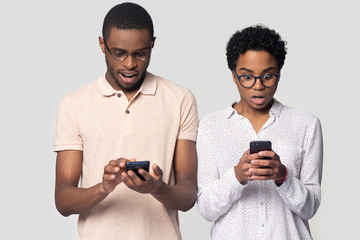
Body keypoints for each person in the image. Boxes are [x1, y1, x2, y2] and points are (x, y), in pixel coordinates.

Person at [53, 3, 198, 240]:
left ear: (152, 43)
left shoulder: (180, 99)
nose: (130, 64)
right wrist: (104, 187)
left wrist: (157, 188)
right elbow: (63, 200)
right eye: (119, 53)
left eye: (140, 53)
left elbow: (188, 196)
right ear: (102, 45)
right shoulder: (74, 105)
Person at [196, 25, 323, 239]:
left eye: (268, 76)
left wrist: (284, 176)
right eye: (247, 77)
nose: (258, 86)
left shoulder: (306, 124)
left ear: (279, 74)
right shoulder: (210, 126)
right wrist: (236, 177)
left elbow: (310, 208)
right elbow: (207, 210)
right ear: (234, 76)